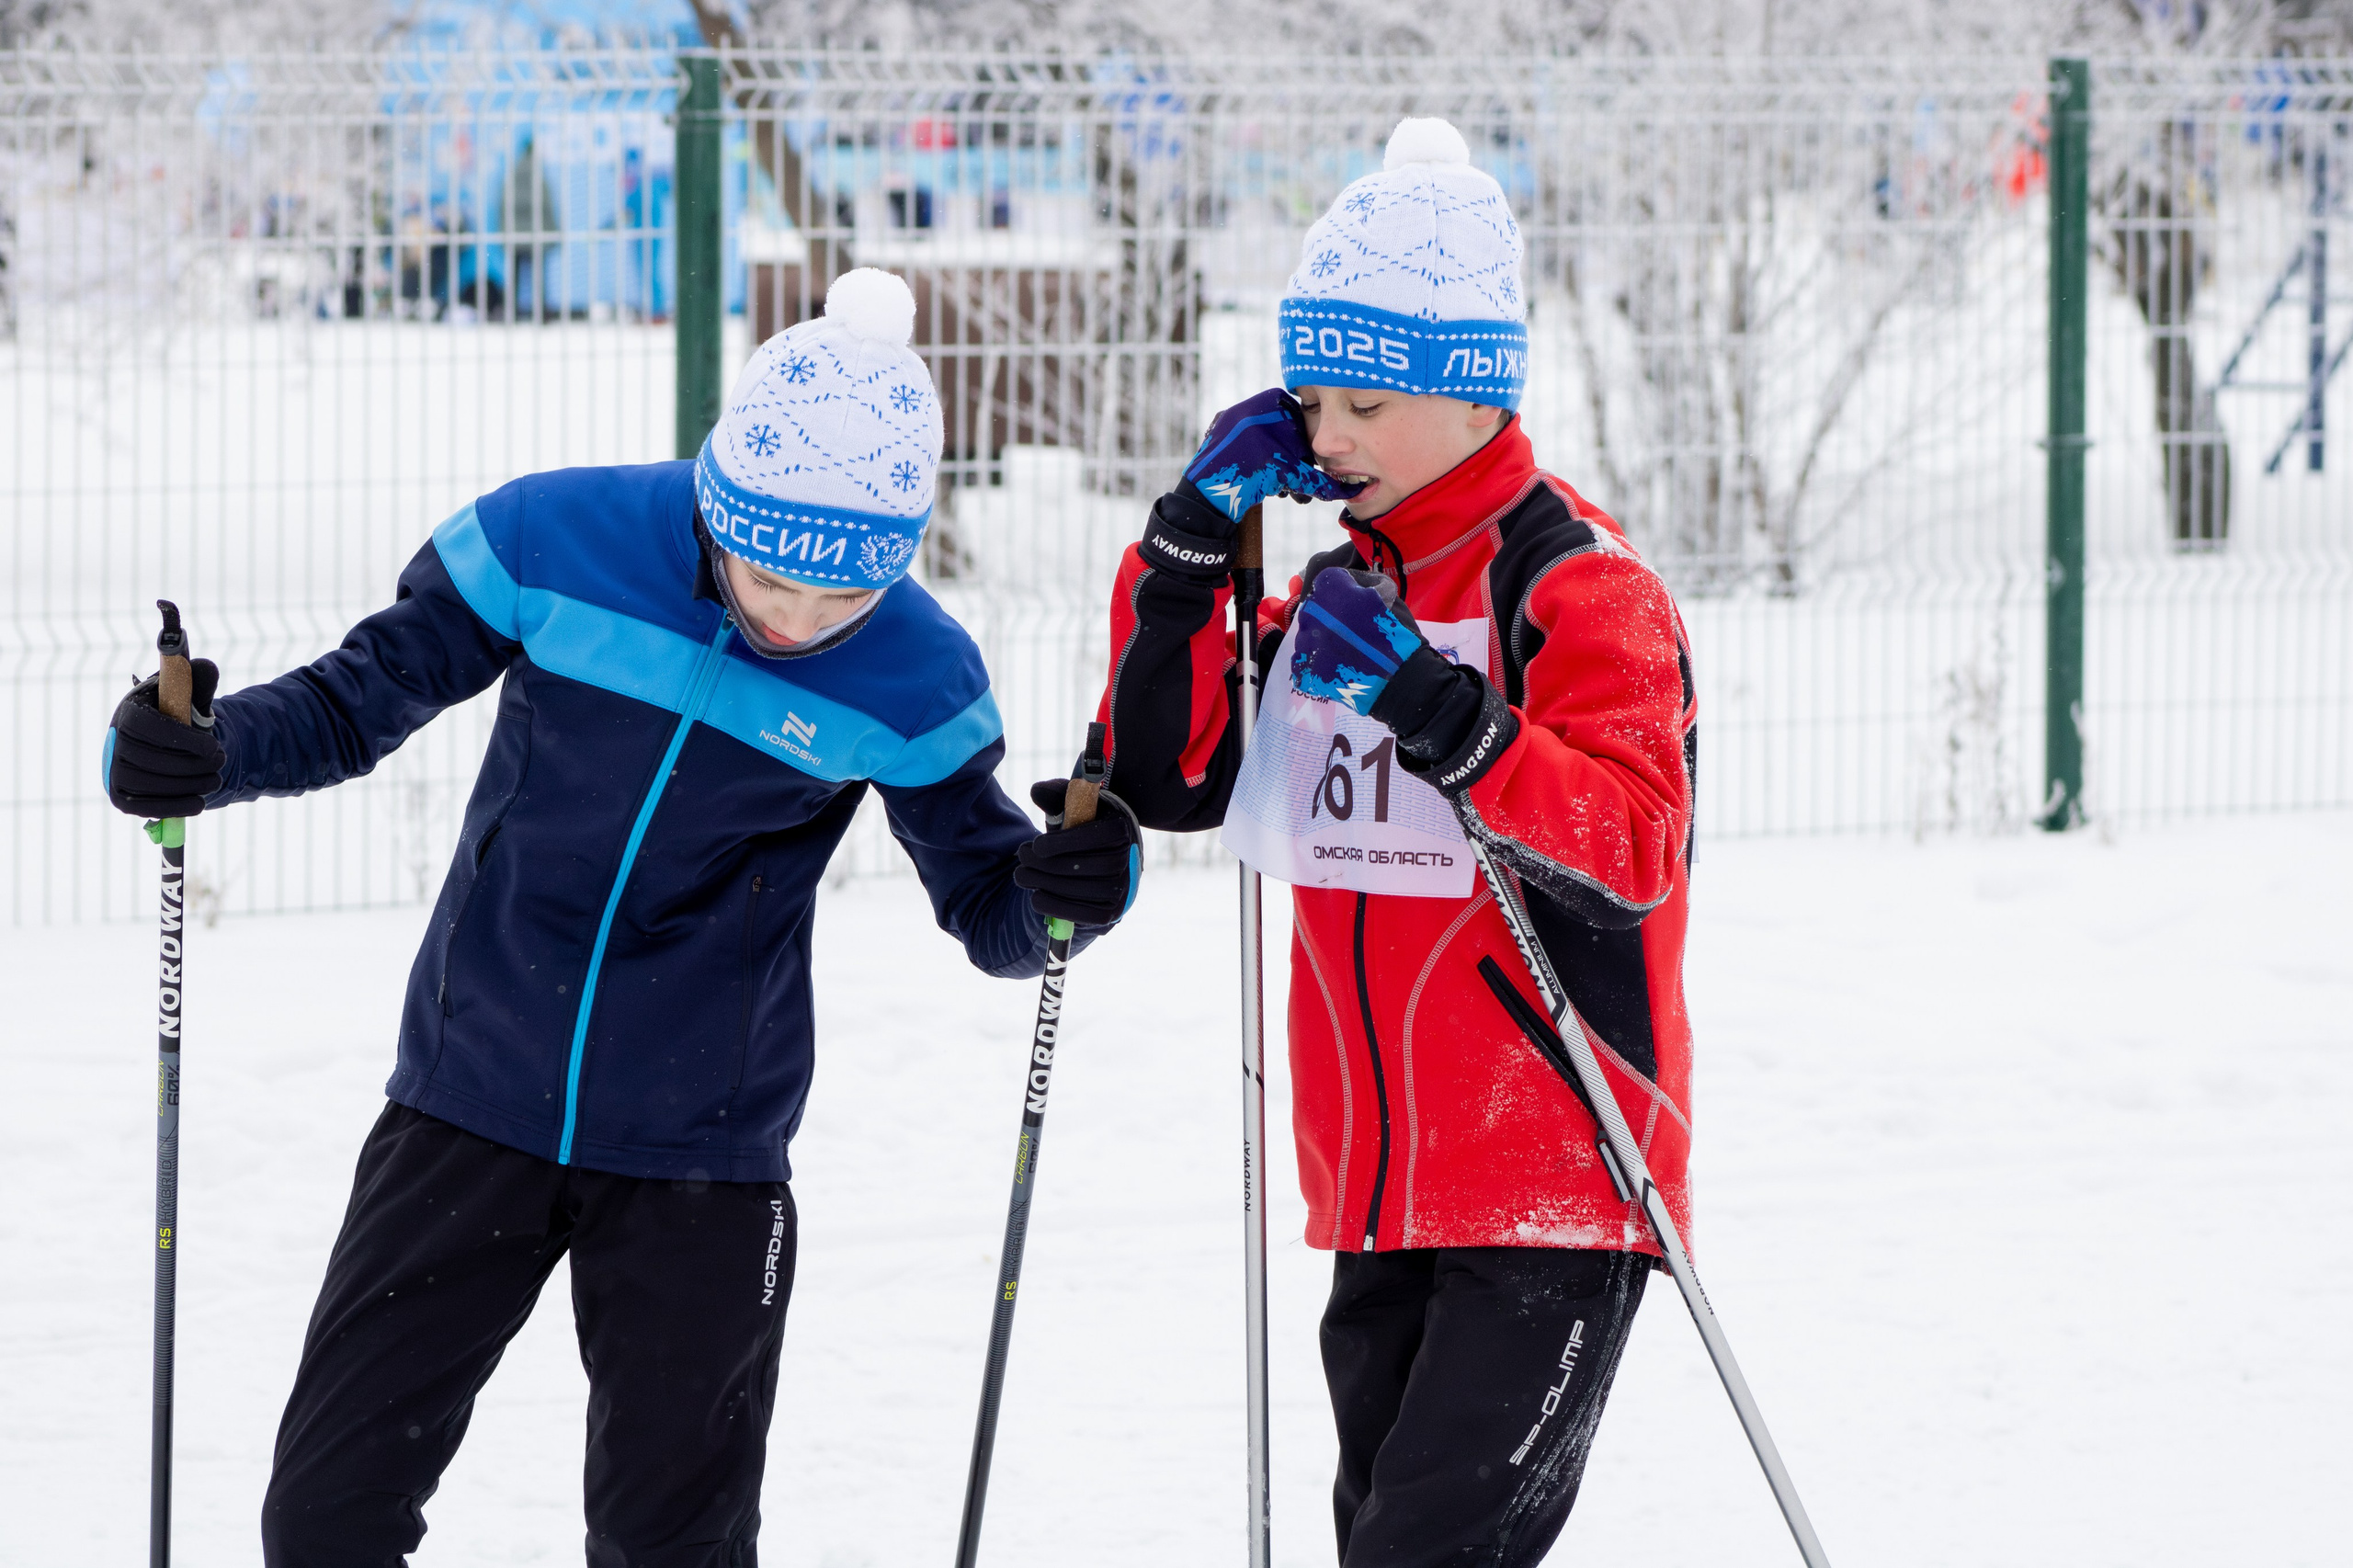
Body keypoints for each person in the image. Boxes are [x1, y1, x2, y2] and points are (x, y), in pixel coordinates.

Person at [99, 267, 1142, 1568]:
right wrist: (199, 750)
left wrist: (1074, 893)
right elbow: (354, 700)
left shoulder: (916, 673)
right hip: (469, 1093)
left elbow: (994, 909)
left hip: (703, 1153)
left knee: (675, 1549)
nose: (792, 618)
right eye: (768, 571)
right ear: (719, 498)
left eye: (840, 601)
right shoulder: (555, 541)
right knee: (324, 1515)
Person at [1094, 119, 1698, 1565]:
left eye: (1366, 397)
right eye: (1312, 396)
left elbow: (1630, 846)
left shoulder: (1579, 583)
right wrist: (1184, 553)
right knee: (1381, 1531)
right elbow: (1170, 775)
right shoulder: (1336, 592)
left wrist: (1446, 712)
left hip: (1556, 1161)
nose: (1329, 435)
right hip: (1376, 1173)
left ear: (1476, 393)